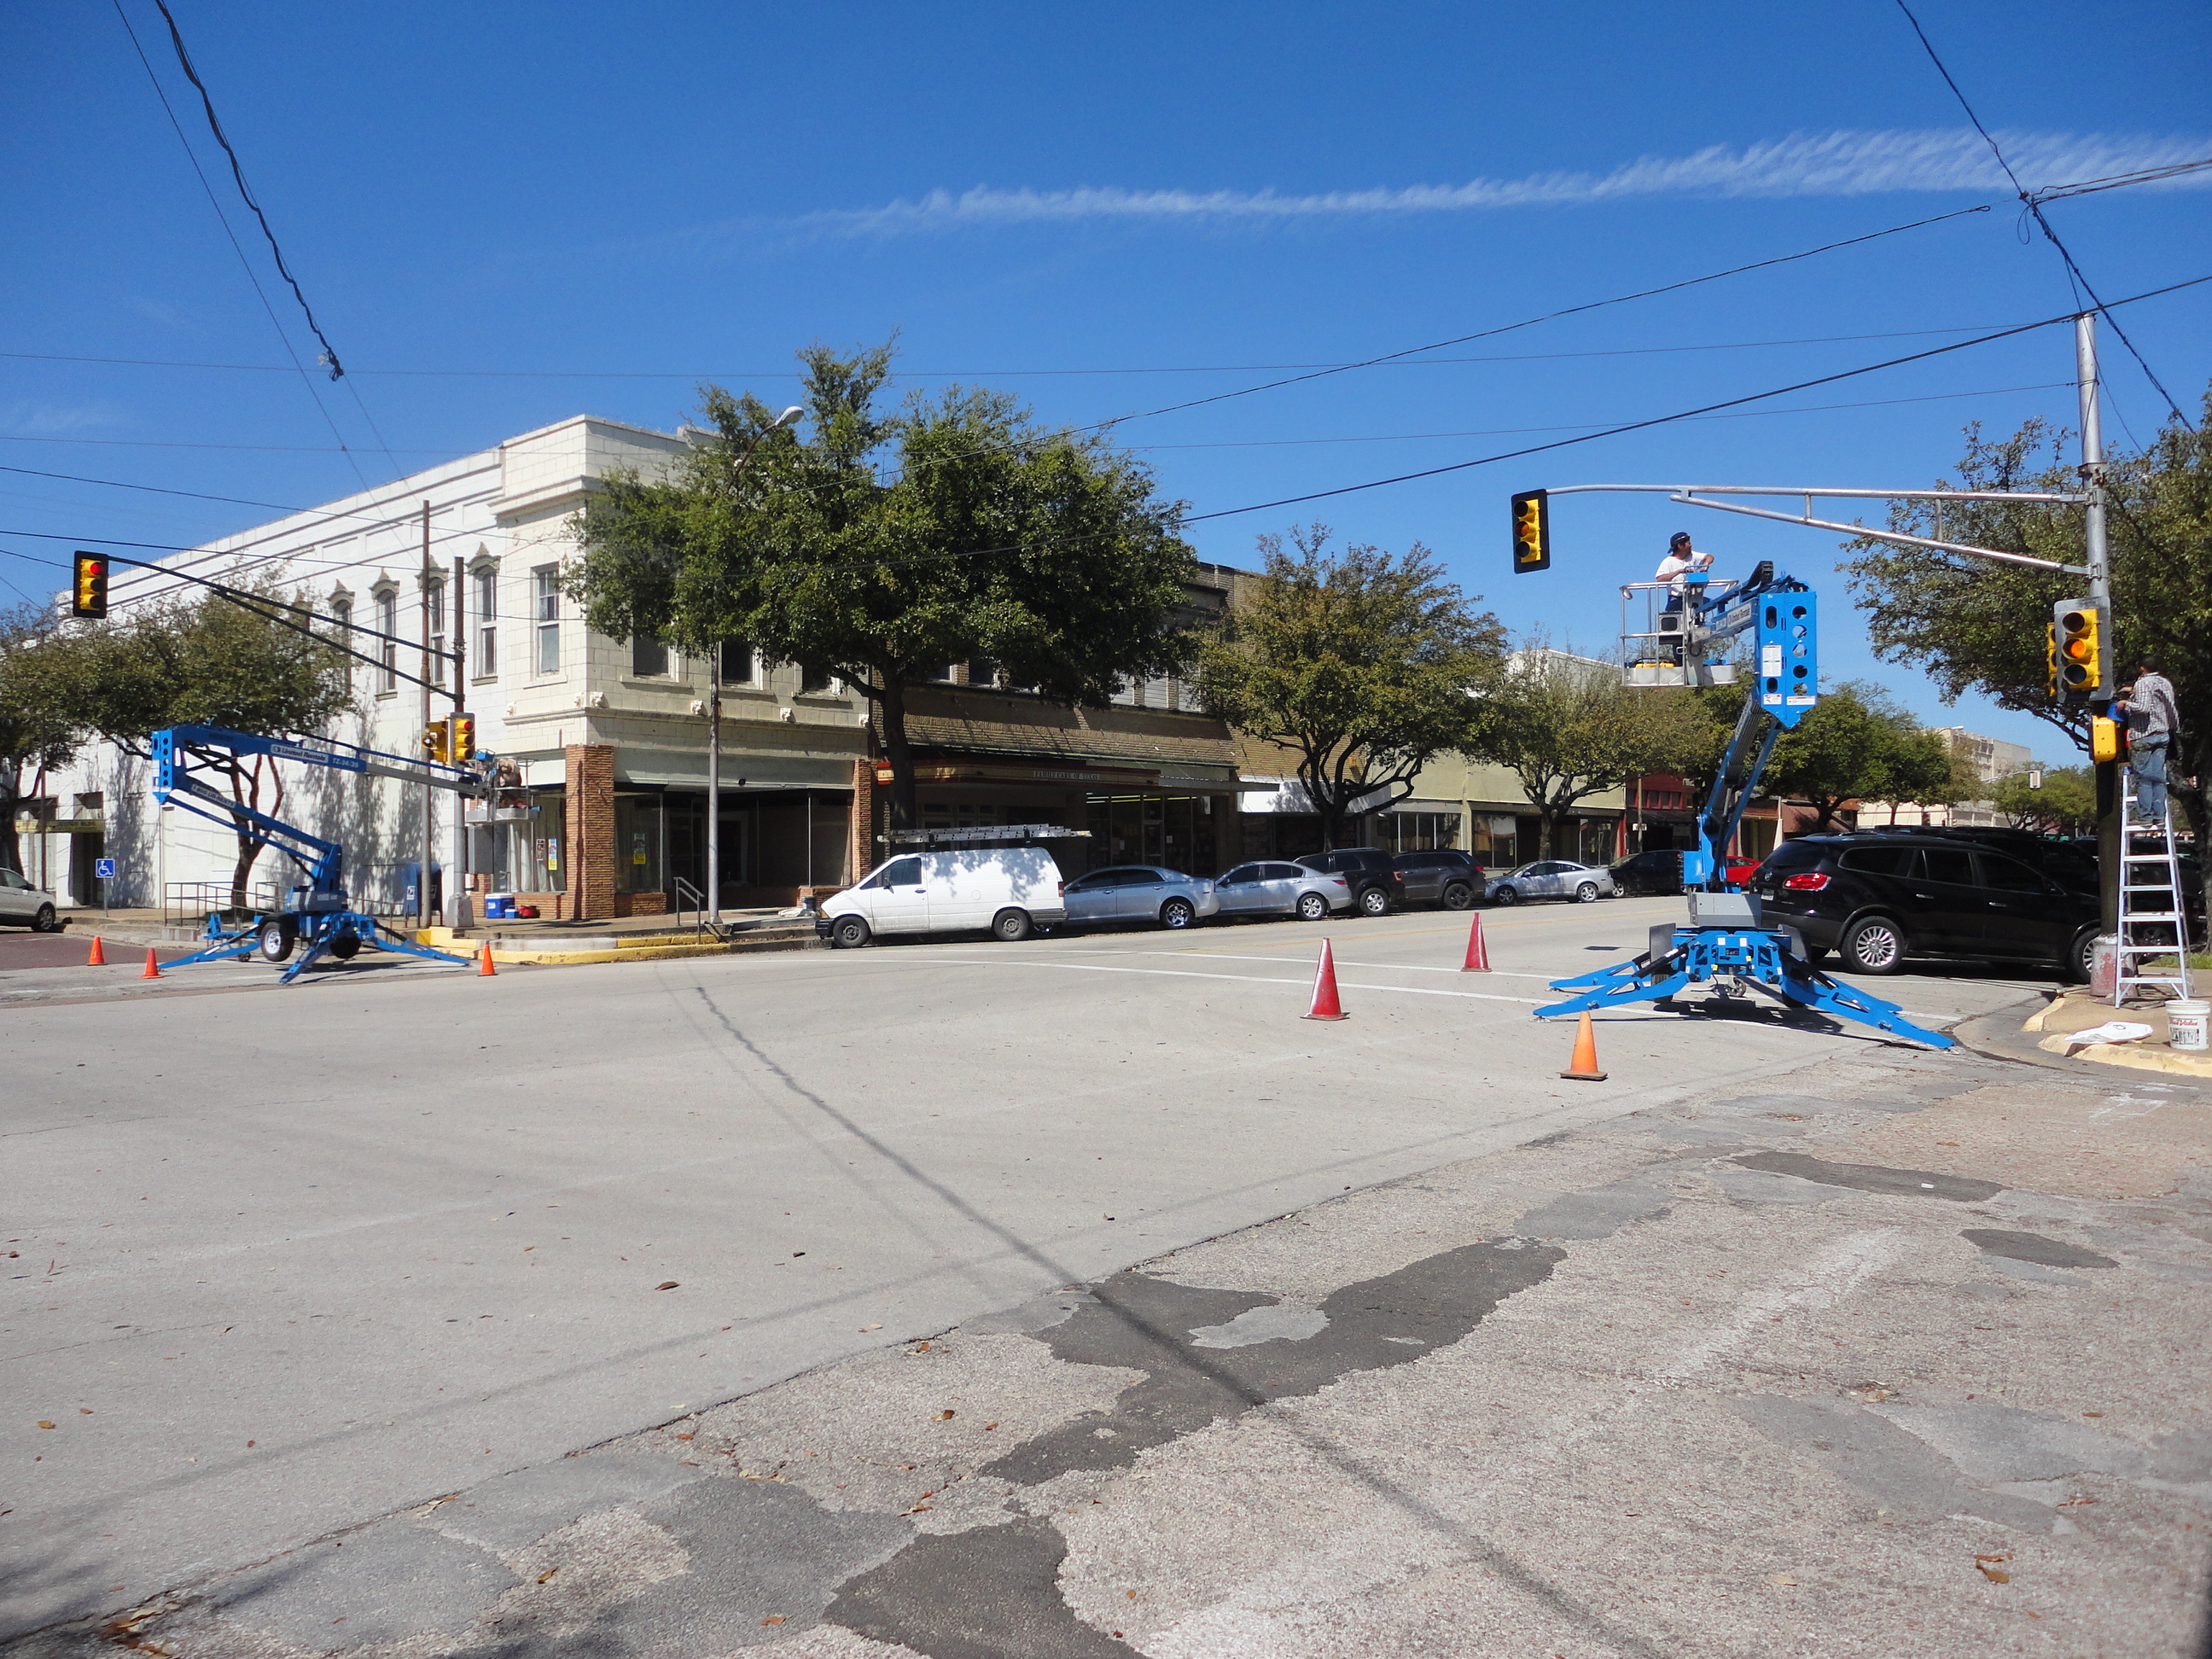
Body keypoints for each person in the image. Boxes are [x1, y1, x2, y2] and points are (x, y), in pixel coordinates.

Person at [2115, 655, 2180, 826]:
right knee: (2158, 776)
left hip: (2143, 735)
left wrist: (2125, 703)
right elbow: (2166, 706)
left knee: (2143, 778)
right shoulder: (2165, 683)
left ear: (2142, 668)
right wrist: (2134, 691)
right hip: (2162, 734)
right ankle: (2159, 815)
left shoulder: (2143, 682)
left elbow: (2143, 708)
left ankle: (2145, 815)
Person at [1653, 533, 1714, 662]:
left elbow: (1709, 556)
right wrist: (1679, 572)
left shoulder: (1692, 556)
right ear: (1680, 546)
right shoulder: (1668, 561)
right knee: (1676, 632)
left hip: (1694, 599)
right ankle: (1680, 660)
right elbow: (1660, 578)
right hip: (1676, 599)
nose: (1691, 545)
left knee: (1708, 609)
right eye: (1688, 542)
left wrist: (1705, 565)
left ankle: (1698, 655)